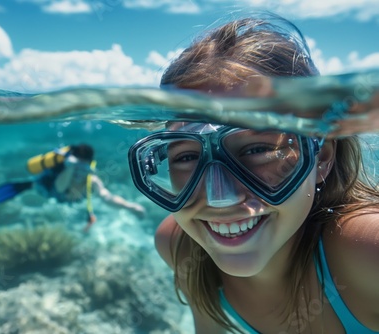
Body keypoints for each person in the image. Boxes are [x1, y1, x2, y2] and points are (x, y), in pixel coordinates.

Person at [128, 14, 379, 334]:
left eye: (257, 150)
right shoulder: (179, 247)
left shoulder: (369, 252)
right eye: (188, 156)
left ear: (321, 157)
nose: (221, 199)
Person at [0, 143, 145, 231]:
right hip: (48, 189)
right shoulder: (65, 170)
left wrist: (129, 207)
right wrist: (70, 167)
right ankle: (24, 185)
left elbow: (106, 197)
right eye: (77, 167)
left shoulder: (91, 179)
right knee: (34, 183)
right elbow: (59, 189)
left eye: (83, 167)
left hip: (66, 196)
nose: (80, 172)